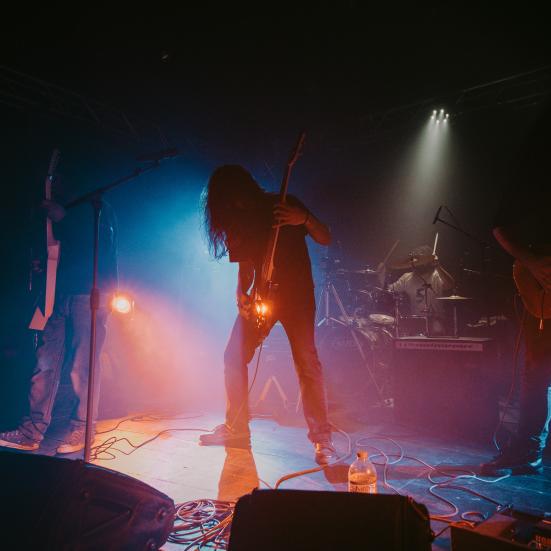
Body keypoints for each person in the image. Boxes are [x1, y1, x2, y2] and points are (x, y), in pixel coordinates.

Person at [199, 164, 337, 464]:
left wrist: (305, 218)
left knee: (307, 361)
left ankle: (322, 438)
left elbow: (325, 237)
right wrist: (241, 293)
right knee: (233, 357)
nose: (235, 204)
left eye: (236, 197)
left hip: (298, 298)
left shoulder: (283, 204)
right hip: (263, 298)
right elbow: (245, 266)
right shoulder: (236, 221)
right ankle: (237, 429)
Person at [0, 185, 118, 454]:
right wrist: (44, 263)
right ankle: (31, 431)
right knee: (44, 362)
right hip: (56, 291)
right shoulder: (59, 209)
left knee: (82, 365)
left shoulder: (96, 206)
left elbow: (100, 247)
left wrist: (65, 218)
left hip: (89, 291)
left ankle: (83, 427)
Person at [481, 101, 551, 476]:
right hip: (542, 296)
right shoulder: (531, 177)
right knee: (535, 375)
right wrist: (533, 262)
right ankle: (527, 449)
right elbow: (499, 227)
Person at [377, 245, 455, 336]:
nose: (417, 263)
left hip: (436, 319)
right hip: (416, 320)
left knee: (436, 327)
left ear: (427, 262)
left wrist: (438, 266)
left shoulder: (436, 275)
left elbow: (450, 285)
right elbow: (388, 291)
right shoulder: (407, 277)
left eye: (421, 261)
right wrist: (381, 276)